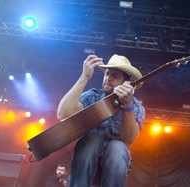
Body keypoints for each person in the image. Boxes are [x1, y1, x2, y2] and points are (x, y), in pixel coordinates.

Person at [56, 54, 145, 187]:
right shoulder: (93, 96)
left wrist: (127, 106)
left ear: (126, 82)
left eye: (115, 76)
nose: (108, 78)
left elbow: (129, 139)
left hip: (115, 165)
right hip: (86, 160)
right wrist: (84, 77)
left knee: (118, 146)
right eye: (107, 74)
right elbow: (63, 113)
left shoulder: (135, 106)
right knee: (92, 139)